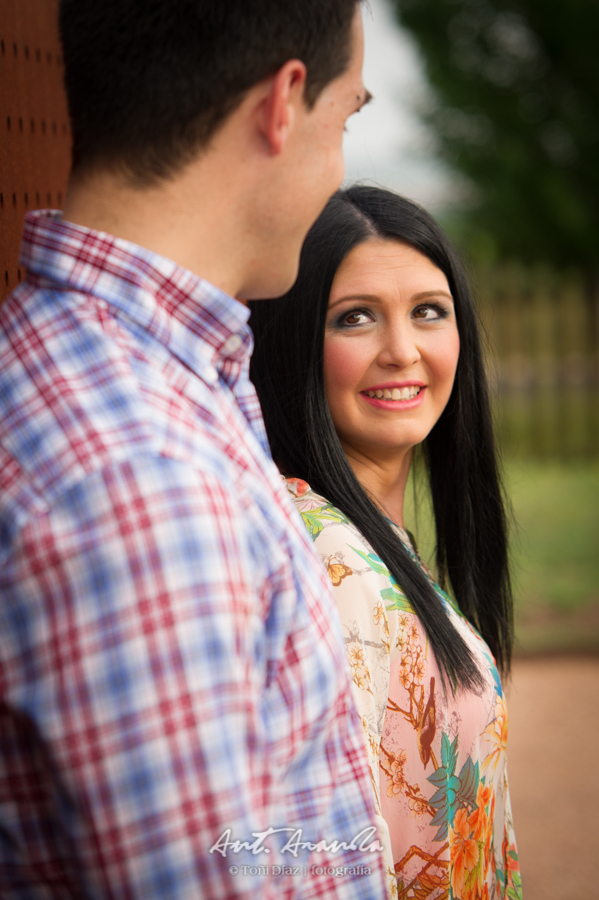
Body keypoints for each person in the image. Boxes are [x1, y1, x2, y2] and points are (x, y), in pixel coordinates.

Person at [0, 3, 388, 899]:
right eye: (346, 116)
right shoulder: (144, 484)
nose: (340, 166)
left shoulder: (128, 373)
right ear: (284, 104)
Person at [249, 186, 523, 900]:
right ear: (294, 342)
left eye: (428, 312)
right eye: (356, 319)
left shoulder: (365, 545)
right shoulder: (330, 563)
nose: (402, 351)